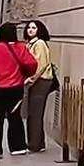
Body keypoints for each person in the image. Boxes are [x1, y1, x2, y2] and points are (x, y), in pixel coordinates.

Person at [0, 23, 37, 157]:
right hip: (15, 87)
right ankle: (17, 146)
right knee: (14, 116)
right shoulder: (21, 47)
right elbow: (32, 63)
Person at [22, 22, 57, 153]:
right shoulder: (30, 44)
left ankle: (34, 144)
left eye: (34, 28)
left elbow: (41, 64)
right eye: (29, 27)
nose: (30, 30)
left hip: (41, 81)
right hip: (37, 80)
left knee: (35, 113)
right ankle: (37, 142)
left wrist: (32, 79)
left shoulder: (39, 44)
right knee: (33, 112)